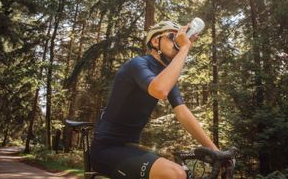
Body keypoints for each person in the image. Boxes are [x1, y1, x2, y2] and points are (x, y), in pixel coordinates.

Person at [90, 20, 218, 179]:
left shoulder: (165, 74)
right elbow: (159, 90)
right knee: (175, 174)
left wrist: (215, 151)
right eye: (172, 36)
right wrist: (185, 48)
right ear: (155, 41)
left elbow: (183, 112)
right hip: (105, 149)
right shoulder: (137, 64)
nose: (177, 40)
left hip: (130, 148)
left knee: (183, 172)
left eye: (179, 37)